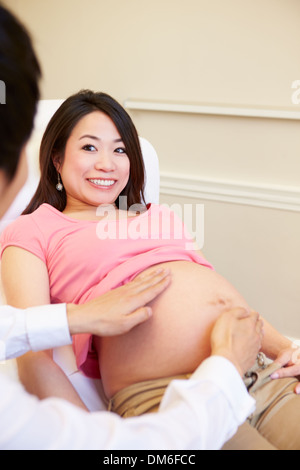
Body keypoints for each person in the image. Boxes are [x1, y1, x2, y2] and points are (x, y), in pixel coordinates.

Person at [0, 2, 264, 450]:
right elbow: (34, 358)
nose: (107, 163)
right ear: (55, 160)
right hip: (169, 390)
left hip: (252, 366)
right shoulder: (33, 229)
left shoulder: (154, 215)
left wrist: (283, 348)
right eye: (89, 147)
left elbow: (216, 289)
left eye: (121, 150)